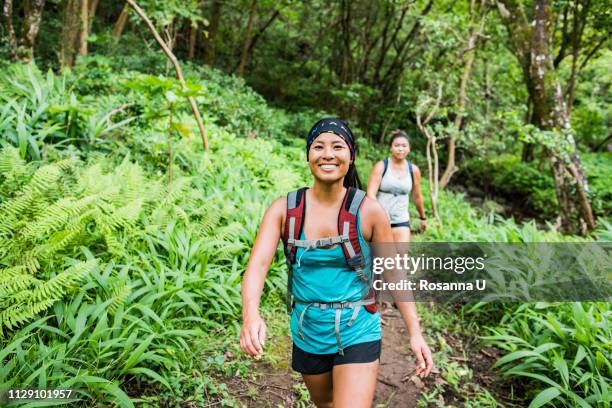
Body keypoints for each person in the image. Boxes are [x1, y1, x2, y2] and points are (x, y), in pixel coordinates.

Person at [240, 119, 433, 407]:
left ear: (351, 155)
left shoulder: (369, 211)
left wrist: (415, 332)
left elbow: (393, 272)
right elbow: (257, 266)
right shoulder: (284, 210)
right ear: (308, 155)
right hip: (308, 329)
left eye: (337, 146)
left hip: (359, 328)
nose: (327, 154)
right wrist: (250, 315)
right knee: (325, 403)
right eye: (318, 146)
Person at [366, 129, 427, 243]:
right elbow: (370, 194)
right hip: (380, 219)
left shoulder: (413, 170)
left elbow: (417, 196)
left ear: (409, 148)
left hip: (401, 219)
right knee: (382, 258)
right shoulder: (381, 166)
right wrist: (378, 214)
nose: (400, 148)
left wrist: (423, 217)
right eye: (397, 145)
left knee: (400, 259)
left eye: (404, 146)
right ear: (391, 148)